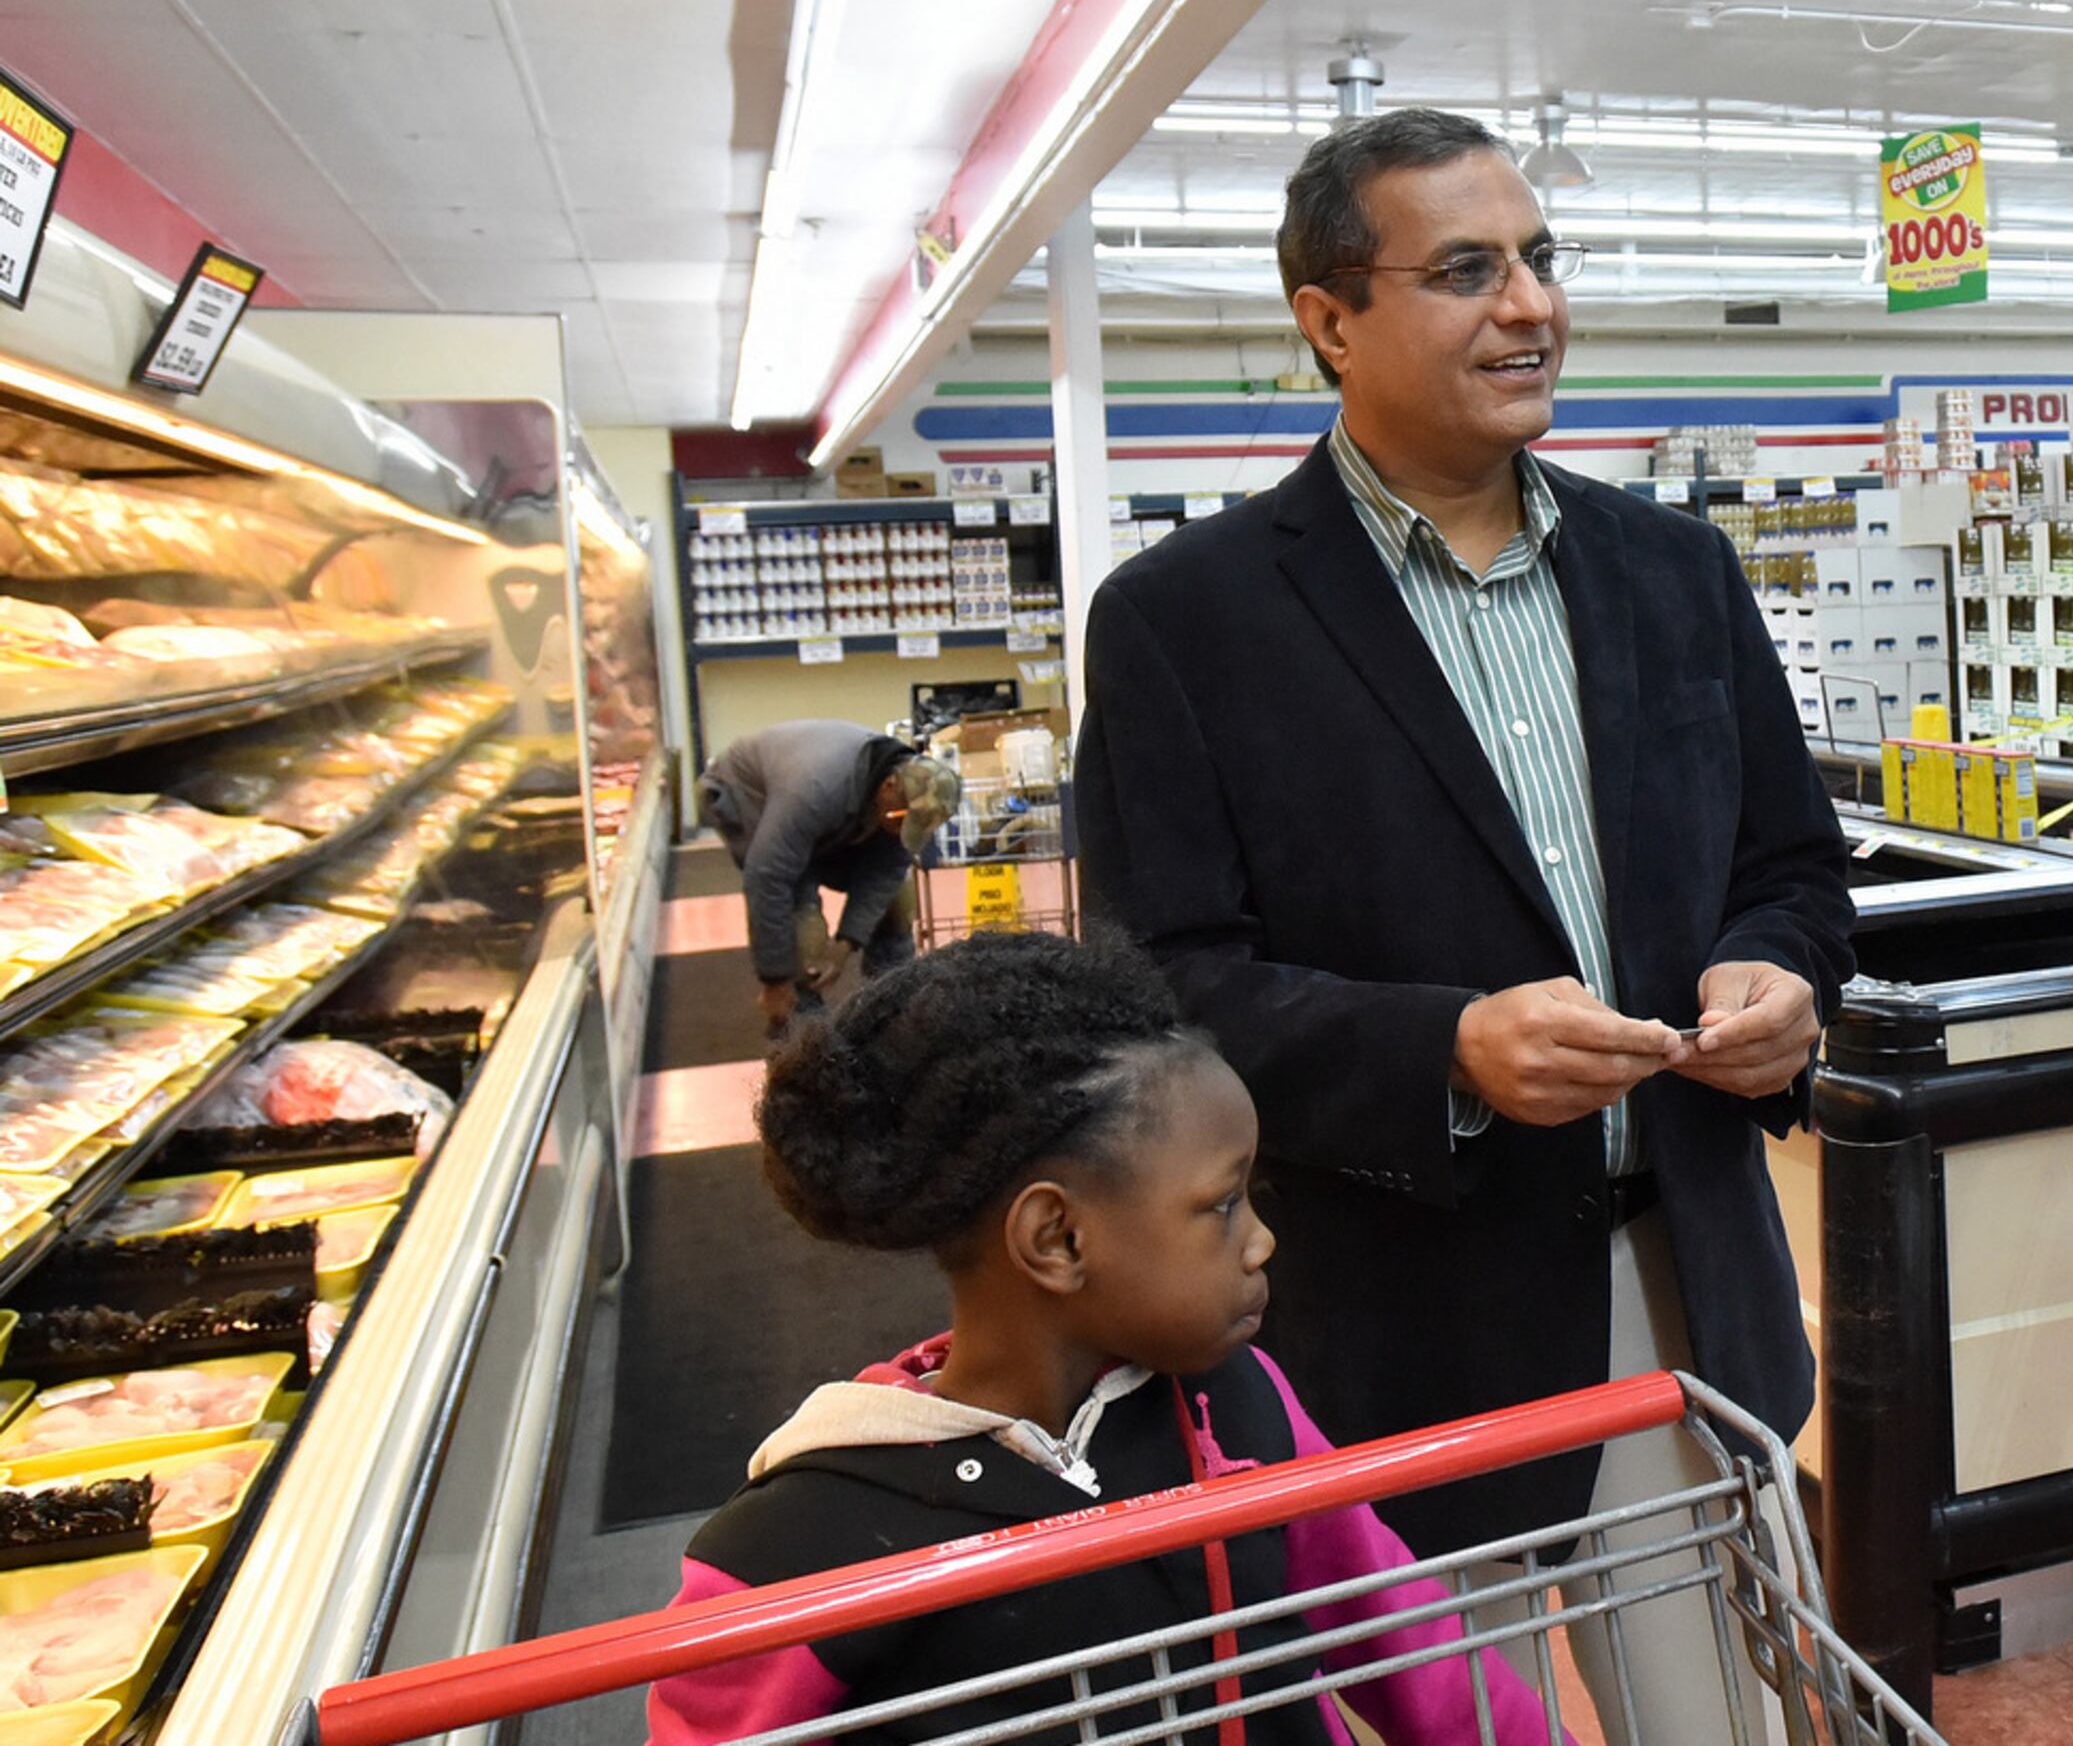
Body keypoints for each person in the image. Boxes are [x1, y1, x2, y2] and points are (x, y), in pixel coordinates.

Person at [1072, 106, 1856, 1742]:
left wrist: (1781, 971)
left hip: (1687, 1286)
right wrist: (1442, 1051)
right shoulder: (1186, 626)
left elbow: (1793, 866)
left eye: (1541, 260)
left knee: (1719, 1724)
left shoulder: (1677, 574)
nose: (1531, 305)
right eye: (1467, 270)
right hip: (1407, 1331)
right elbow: (1163, 994)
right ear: (1328, 317)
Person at [644, 933, 1544, 1745]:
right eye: (1223, 1206)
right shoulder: (793, 1554)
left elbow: (1412, 1637)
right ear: (1059, 1240)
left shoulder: (1243, 1403)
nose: (1261, 1241)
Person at [698, 717, 960, 1034]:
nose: (905, 830)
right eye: (903, 820)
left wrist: (846, 944)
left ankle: (892, 1008)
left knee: (897, 899)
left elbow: (884, 874)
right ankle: (799, 1032)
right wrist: (775, 979)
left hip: (829, 821)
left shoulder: (906, 802)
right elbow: (767, 877)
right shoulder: (817, 787)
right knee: (804, 927)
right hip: (746, 798)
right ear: (889, 786)